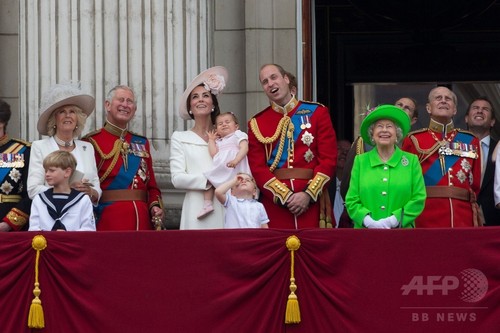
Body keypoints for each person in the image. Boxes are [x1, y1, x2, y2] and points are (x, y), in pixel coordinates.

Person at [247, 64, 337, 229]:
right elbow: (258, 168)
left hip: (312, 202)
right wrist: (285, 196)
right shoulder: (257, 123)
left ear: (286, 79)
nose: (270, 84)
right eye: (265, 82)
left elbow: (328, 160)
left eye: (274, 77)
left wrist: (308, 194)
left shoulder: (317, 113)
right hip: (276, 206)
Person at [83, 85, 164, 230]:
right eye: (120, 100)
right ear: (107, 105)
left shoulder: (142, 142)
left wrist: (155, 206)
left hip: (143, 220)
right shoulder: (90, 142)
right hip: (108, 219)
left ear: (134, 109)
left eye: (130, 101)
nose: (125, 105)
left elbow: (152, 186)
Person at [402, 86, 482, 227]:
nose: (443, 101)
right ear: (428, 108)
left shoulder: (470, 140)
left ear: (455, 110)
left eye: (448, 99)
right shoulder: (414, 140)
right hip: (426, 216)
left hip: (462, 216)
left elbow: (475, 184)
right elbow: (406, 182)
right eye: (438, 98)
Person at [345, 105, 426, 228]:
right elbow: (351, 199)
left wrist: (394, 220)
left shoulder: (411, 161)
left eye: (389, 126)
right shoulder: (361, 161)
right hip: (365, 234)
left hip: (402, 234)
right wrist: (367, 221)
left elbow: (418, 198)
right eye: (379, 126)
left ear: (397, 134)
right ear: (372, 134)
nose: (384, 130)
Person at [170, 66, 227, 229]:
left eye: (205, 95)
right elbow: (177, 179)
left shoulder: (227, 137)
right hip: (196, 208)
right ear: (190, 107)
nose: (200, 99)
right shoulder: (180, 138)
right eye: (195, 97)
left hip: (225, 204)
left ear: (213, 104)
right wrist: (210, 180)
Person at [27, 83, 102, 206]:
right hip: (52, 215)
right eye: (62, 112)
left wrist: (91, 191)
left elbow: (96, 186)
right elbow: (33, 190)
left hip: (82, 215)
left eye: (72, 112)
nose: (68, 115)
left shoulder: (87, 147)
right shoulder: (39, 146)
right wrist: (65, 190)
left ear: (77, 119)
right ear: (54, 119)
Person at [340, 97, 418, 199]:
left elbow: (417, 192)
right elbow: (347, 185)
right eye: (399, 104)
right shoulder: (364, 144)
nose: (402, 108)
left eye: (407, 108)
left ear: (413, 120)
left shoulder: (415, 144)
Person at [199, 112, 251, 219]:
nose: (224, 124)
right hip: (222, 169)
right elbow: (214, 154)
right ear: (216, 129)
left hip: (235, 168)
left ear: (236, 126)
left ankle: (243, 210)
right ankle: (207, 203)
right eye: (220, 123)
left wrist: (236, 160)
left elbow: (244, 148)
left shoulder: (238, 135)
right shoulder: (219, 141)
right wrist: (211, 141)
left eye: (227, 122)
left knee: (240, 187)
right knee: (208, 180)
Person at [29, 150, 96, 231]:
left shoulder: (82, 200)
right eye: (46, 171)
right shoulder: (39, 199)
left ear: (67, 172)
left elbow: (88, 229)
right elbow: (33, 229)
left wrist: (66, 236)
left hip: (72, 243)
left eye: (52, 170)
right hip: (46, 243)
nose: (47, 174)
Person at [464, 96, 500, 225]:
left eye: (485, 109)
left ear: (492, 122)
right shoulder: (451, 148)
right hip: (460, 217)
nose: (480, 111)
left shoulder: (499, 149)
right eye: (475, 108)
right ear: (466, 118)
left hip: (494, 220)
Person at [0, 99, 31, 231]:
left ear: (2, 122)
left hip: (10, 226)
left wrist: (9, 224)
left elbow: (31, 193)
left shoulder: (22, 150)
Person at [330, 139, 353, 228]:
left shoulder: (353, 183)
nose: (344, 153)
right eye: (339, 149)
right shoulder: (325, 182)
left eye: (348, 151)